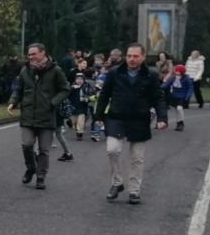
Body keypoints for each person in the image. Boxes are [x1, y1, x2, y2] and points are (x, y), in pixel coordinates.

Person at [95, 43, 168, 205]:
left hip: (139, 119)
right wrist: (98, 116)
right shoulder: (115, 72)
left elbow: (158, 97)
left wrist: (162, 118)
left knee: (137, 158)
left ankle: (134, 190)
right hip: (117, 117)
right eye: (129, 56)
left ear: (143, 57)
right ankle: (117, 183)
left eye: (135, 56)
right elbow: (104, 95)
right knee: (112, 150)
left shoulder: (150, 74)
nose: (132, 59)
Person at [8, 43, 69, 190]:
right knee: (27, 144)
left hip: (46, 116)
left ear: (43, 53)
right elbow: (19, 89)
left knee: (44, 150)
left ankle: (41, 177)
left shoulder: (55, 70)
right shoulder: (25, 70)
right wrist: (13, 102)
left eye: (34, 54)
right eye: (29, 55)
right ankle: (31, 168)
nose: (31, 57)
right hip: (28, 114)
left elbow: (65, 89)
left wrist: (52, 103)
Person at [163, 63, 194, 131]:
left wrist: (188, 96)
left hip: (183, 96)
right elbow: (166, 85)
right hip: (174, 96)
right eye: (175, 71)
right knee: (177, 110)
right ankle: (178, 123)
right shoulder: (173, 78)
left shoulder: (186, 78)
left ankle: (181, 122)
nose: (176, 72)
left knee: (179, 108)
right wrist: (158, 88)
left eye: (178, 71)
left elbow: (190, 88)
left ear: (182, 72)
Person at [66, 72, 90, 140]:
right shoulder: (72, 87)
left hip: (82, 107)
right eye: (78, 79)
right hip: (73, 106)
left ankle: (80, 133)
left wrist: (87, 98)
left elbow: (89, 94)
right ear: (75, 80)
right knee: (74, 121)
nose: (79, 80)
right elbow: (68, 95)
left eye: (81, 79)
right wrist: (73, 89)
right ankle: (76, 128)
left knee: (81, 120)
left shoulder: (85, 87)